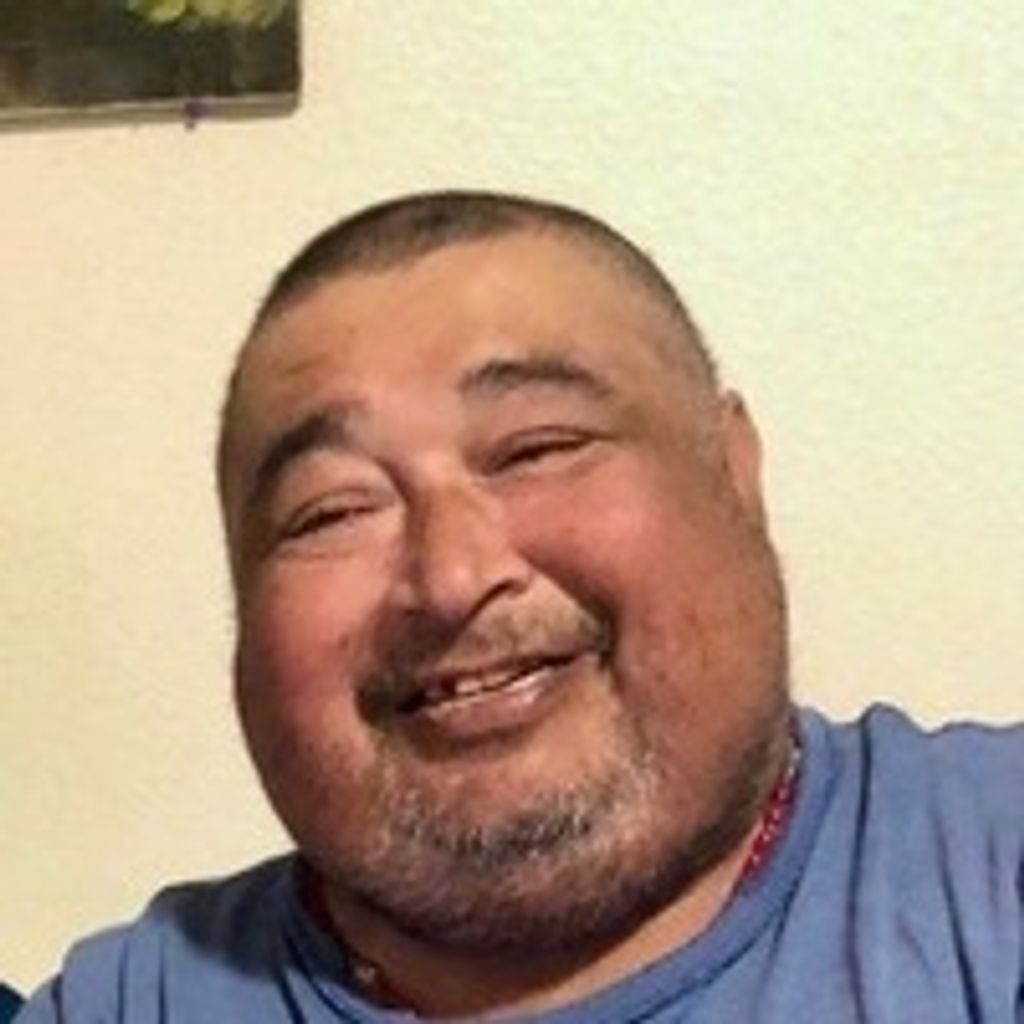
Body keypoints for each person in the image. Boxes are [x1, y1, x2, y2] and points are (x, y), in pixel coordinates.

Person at [17, 192, 1023, 1023]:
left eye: (537, 449)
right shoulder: (132, 1002)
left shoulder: (990, 879)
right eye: (332, 510)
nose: (452, 575)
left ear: (733, 471)